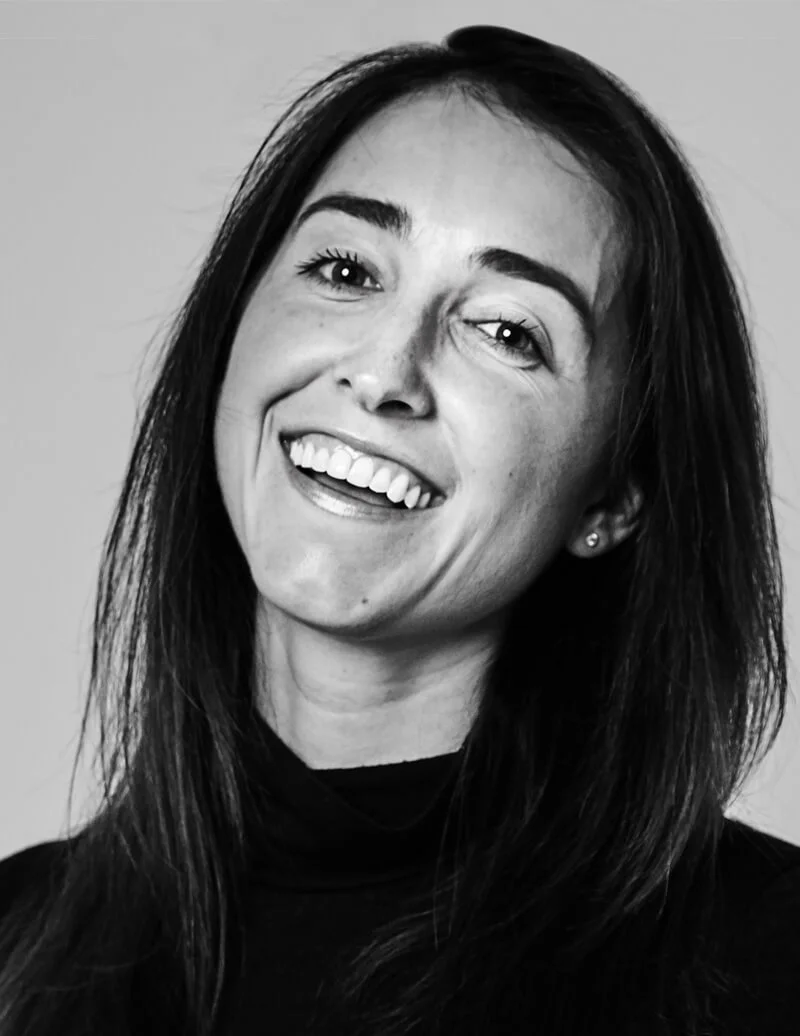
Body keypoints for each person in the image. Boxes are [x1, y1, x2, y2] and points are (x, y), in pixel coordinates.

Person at [0, 23, 798, 1036]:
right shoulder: (17, 946)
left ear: (611, 496)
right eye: (345, 270)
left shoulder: (762, 962)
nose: (382, 373)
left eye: (506, 331)